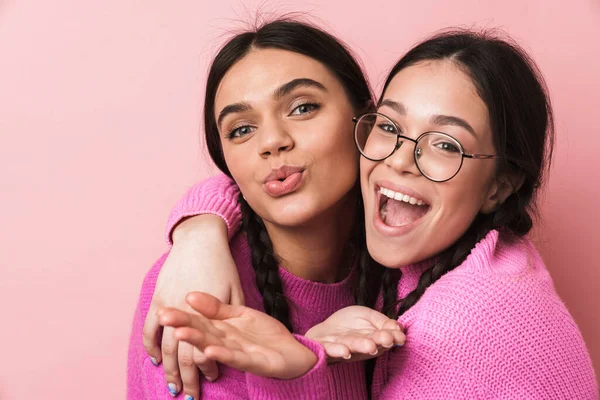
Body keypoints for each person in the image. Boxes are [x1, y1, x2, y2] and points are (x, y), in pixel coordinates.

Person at [155, 29, 599, 398]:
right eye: (391, 128)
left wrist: (301, 367)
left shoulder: (474, 312)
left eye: (446, 144)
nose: (402, 160)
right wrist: (199, 227)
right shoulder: (197, 291)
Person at [127, 19, 406, 400]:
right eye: (241, 130)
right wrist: (304, 365)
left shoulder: (409, 245)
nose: (272, 142)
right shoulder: (193, 296)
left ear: (366, 121)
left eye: (303, 107)